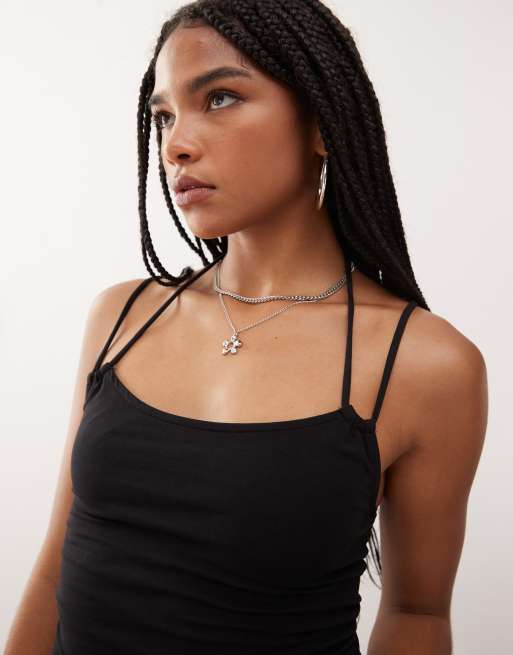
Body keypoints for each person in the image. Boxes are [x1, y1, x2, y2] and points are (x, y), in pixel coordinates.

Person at [5, 1, 487, 654]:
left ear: (322, 122)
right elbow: (52, 569)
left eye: (220, 98)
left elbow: (416, 613)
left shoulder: (424, 363)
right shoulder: (122, 317)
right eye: (164, 116)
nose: (175, 144)